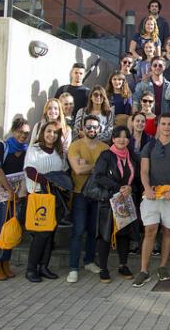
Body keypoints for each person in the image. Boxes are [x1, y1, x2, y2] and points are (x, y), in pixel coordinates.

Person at [132, 115, 170, 287]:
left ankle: (162, 267)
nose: (166, 127)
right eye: (163, 123)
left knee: (168, 232)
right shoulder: (149, 147)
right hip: (152, 195)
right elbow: (143, 171)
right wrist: (147, 188)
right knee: (149, 230)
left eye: (169, 124)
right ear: (158, 125)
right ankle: (144, 270)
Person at [92, 125, 140, 283]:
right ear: (113, 138)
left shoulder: (132, 156)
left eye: (125, 136)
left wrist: (130, 187)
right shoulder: (106, 155)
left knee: (124, 235)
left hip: (126, 201)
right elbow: (98, 176)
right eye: (118, 136)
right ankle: (103, 268)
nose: (122, 139)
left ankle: (123, 265)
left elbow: (138, 180)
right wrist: (118, 187)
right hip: (109, 201)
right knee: (105, 235)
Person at [66, 115, 109, 283]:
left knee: (93, 230)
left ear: (99, 129)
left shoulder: (105, 147)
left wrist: (88, 166)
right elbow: (77, 169)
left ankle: (89, 261)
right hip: (80, 193)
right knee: (78, 231)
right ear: (83, 129)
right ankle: (73, 267)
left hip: (98, 193)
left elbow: (106, 170)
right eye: (89, 127)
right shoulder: (75, 146)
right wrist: (97, 166)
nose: (92, 130)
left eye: (95, 127)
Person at [23, 121, 68, 282]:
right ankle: (31, 269)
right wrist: (49, 181)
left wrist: (61, 184)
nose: (52, 135)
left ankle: (44, 267)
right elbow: (29, 170)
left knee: (50, 234)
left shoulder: (58, 152)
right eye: (49, 131)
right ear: (43, 132)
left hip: (54, 198)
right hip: (38, 196)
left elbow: (62, 172)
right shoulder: (34, 149)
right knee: (41, 235)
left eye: (55, 133)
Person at [0, 117, 30, 281]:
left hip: (17, 195)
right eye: (20, 132)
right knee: (0, 226)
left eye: (26, 133)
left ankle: (6, 261)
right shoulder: (3, 146)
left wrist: (20, 193)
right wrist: (9, 190)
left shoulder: (27, 149)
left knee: (12, 225)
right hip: (1, 193)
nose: (23, 136)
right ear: (14, 131)